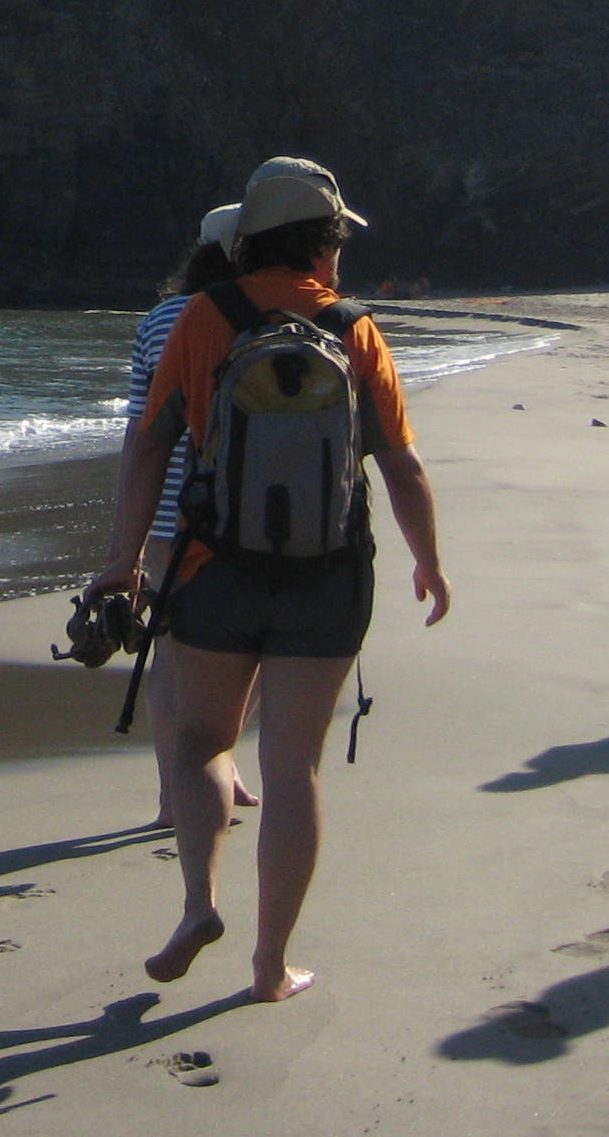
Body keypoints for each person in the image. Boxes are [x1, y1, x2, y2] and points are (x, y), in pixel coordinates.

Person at [86, 156, 450, 1006]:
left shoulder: (205, 319)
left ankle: (197, 906)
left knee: (203, 742)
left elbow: (149, 443)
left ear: (248, 243)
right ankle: (269, 967)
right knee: (294, 772)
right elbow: (399, 462)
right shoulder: (355, 327)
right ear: (325, 247)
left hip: (217, 568)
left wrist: (123, 558)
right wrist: (428, 559)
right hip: (329, 577)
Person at [122, 206, 263, 828]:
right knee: (254, 651)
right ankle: (214, 765)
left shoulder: (159, 321)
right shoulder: (274, 313)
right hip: (258, 511)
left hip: (170, 518)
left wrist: (123, 541)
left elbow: (141, 430)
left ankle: (176, 790)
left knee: (174, 660)